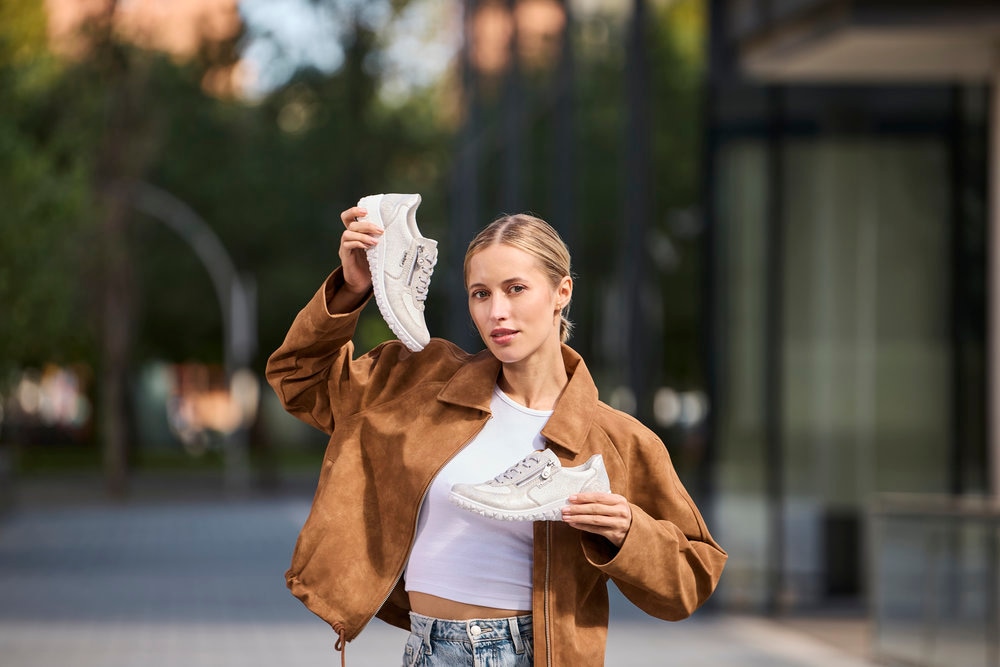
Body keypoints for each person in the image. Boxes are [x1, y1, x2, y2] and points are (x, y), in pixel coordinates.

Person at [266, 202, 727, 667]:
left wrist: (628, 529)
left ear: (561, 291)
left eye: (516, 289)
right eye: (481, 294)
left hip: (527, 654)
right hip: (426, 649)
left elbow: (692, 580)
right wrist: (351, 289)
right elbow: (298, 381)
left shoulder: (616, 439)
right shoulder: (422, 383)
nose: (497, 312)